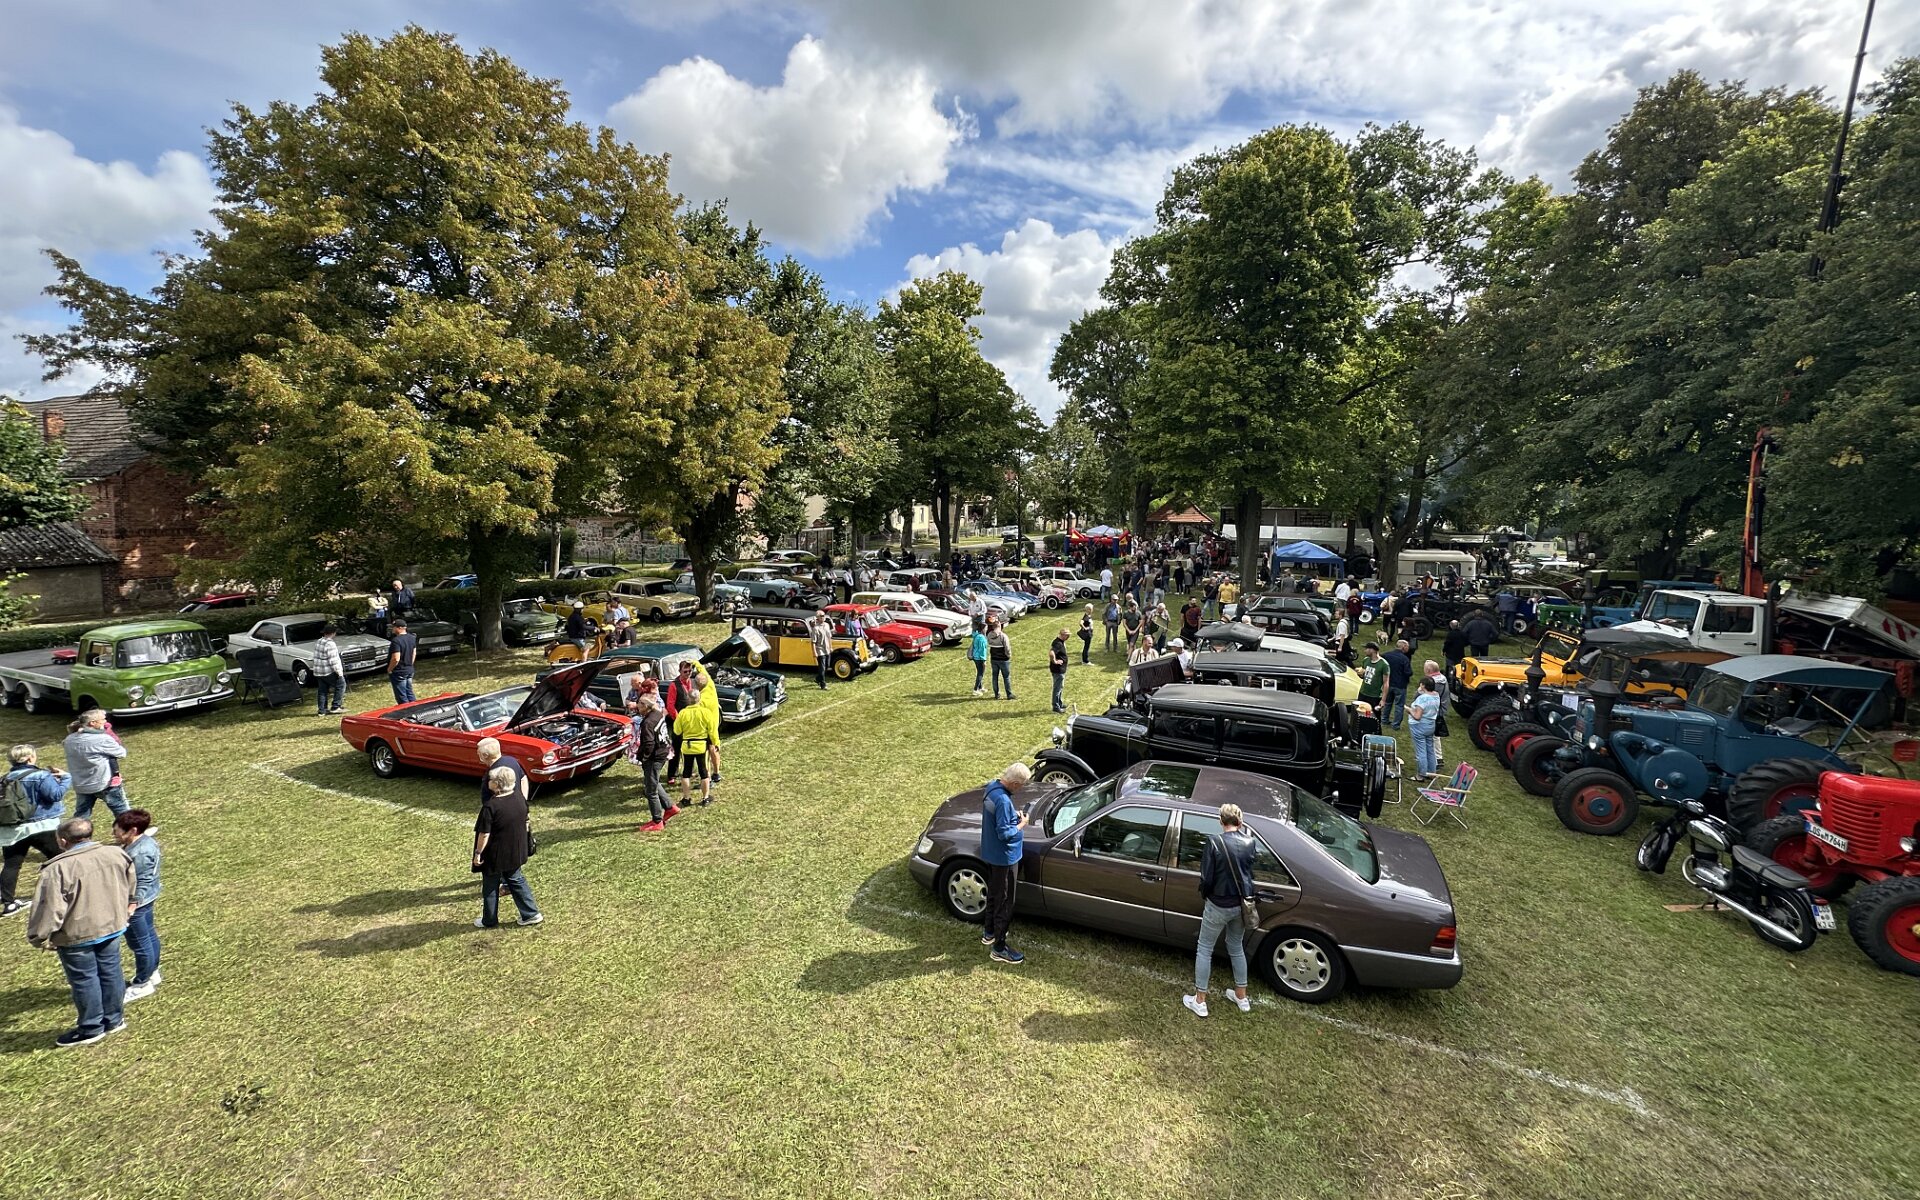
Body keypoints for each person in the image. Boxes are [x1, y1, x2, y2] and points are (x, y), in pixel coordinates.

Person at [27, 817, 136, 1046]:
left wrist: (40, 937)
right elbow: (130, 886)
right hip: (112, 925)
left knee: (85, 980)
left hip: (76, 935)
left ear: (62, 841)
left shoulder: (57, 869)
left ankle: (91, 1027)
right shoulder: (116, 853)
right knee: (111, 972)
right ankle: (114, 1019)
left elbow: (50, 908)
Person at [1183, 802, 1256, 1018]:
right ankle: (1241, 997)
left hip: (1218, 903)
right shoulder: (1250, 842)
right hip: (1241, 905)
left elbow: (1207, 877)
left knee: (1205, 948)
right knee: (1236, 947)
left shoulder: (1214, 842)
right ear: (1240, 821)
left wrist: (1206, 895)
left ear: (1221, 821)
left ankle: (1200, 1001)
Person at [1, 744, 69, 918]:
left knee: (11, 865)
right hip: (42, 826)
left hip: (13, 828)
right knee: (61, 858)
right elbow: (55, 795)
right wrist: (66, 778)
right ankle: (70, 890)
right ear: (31, 757)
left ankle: (8, 903)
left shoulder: (4, 779)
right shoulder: (41, 775)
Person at [473, 766, 541, 929]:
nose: (488, 782)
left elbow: (484, 834)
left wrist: (478, 853)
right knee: (516, 878)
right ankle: (531, 913)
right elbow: (526, 821)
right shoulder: (519, 798)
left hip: (495, 854)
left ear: (497, 784)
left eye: (490, 780)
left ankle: (489, 919)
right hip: (515, 849)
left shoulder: (490, 806)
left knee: (490, 885)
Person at [979, 763, 1031, 964]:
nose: (1021, 788)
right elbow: (1004, 833)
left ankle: (989, 932)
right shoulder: (1003, 800)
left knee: (994, 894)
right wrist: (1021, 824)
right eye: (1022, 785)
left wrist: (1011, 815)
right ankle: (999, 948)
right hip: (1005, 858)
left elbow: (998, 818)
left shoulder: (992, 787)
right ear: (1015, 783)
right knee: (1005, 902)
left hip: (991, 854)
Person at [113, 809, 162, 1000]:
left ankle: (142, 984)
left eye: (117, 831)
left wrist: (131, 907)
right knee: (149, 936)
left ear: (132, 831)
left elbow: (142, 881)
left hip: (137, 905)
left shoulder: (140, 852)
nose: (114, 834)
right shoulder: (143, 842)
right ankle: (152, 972)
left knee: (140, 944)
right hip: (147, 900)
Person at [63, 709, 128, 820]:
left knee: (81, 816)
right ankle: (132, 829)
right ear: (92, 723)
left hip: (82, 785)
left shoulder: (69, 739)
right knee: (122, 812)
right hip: (105, 784)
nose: (105, 722)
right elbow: (122, 753)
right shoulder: (102, 739)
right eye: (102, 719)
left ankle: (74, 831)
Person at [628, 694, 678, 833]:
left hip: (654, 758)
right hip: (663, 751)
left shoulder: (648, 722)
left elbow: (649, 743)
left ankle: (657, 821)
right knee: (653, 782)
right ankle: (670, 807)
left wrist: (644, 757)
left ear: (645, 706)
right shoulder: (658, 714)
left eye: (639, 705)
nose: (637, 708)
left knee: (650, 790)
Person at [672, 678, 719, 807]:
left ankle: (686, 798)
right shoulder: (705, 713)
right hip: (701, 746)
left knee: (686, 772)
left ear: (688, 699)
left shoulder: (683, 713)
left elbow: (677, 730)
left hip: (687, 746)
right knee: (704, 772)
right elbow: (712, 731)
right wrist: (715, 743)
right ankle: (705, 797)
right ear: (699, 699)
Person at [475, 738, 528, 806]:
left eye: (479, 753)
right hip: (519, 807)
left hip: (503, 810)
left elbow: (487, 801)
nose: (478, 755)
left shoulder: (492, 775)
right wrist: (523, 800)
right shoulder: (512, 760)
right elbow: (523, 778)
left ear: (485, 755)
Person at [1408, 676, 1442, 777]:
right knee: (1430, 750)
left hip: (1419, 727)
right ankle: (1431, 773)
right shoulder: (1436, 695)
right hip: (1430, 725)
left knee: (1421, 752)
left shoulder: (1422, 699)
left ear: (1423, 685)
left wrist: (1409, 710)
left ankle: (1421, 775)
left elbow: (1417, 716)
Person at [310, 624, 347, 715]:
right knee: (341, 685)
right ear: (333, 633)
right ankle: (336, 706)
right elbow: (333, 660)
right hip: (327, 671)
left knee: (322, 690)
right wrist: (339, 672)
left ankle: (322, 710)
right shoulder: (330, 644)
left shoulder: (319, 641)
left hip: (318, 671)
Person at [1423, 659, 1452, 772]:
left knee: (1432, 736)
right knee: (1435, 736)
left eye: (1425, 669)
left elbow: (1428, 696)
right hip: (1438, 711)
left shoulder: (1435, 682)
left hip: (1434, 712)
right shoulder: (1442, 678)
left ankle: (1436, 759)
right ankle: (1437, 758)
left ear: (1429, 670)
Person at [386, 616, 418, 704]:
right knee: (409, 693)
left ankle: (406, 711)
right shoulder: (412, 637)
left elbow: (396, 658)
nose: (392, 629)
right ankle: (416, 708)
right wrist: (410, 665)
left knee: (402, 696)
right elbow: (414, 653)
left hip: (399, 671)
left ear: (399, 628)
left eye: (393, 627)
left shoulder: (396, 641)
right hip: (409, 669)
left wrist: (390, 669)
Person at [1382, 640, 1414, 730]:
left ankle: (1384, 720)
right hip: (1400, 685)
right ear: (1403, 647)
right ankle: (1396, 725)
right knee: (1399, 705)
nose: (1408, 648)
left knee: (1387, 703)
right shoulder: (1404, 659)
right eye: (1407, 646)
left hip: (1388, 683)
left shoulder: (1386, 655)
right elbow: (1408, 672)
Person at [1356, 644, 1388, 715]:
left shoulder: (1384, 664)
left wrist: (1383, 700)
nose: (1364, 651)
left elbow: (1386, 683)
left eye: (1366, 649)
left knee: (1373, 716)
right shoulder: (1366, 660)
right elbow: (1364, 675)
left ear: (1372, 650)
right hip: (1363, 693)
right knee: (1361, 714)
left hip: (1375, 696)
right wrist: (1360, 675)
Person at [987, 618, 1014, 701]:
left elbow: (989, 643)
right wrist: (1008, 655)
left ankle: (996, 694)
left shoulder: (989, 635)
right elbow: (1007, 648)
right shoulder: (1003, 636)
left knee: (995, 677)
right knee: (1006, 677)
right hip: (1004, 660)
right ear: (999, 626)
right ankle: (1009, 694)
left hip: (994, 659)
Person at [809, 611, 834, 691]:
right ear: (818, 618)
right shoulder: (815, 628)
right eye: (822, 616)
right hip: (820, 650)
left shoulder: (827, 625)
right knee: (822, 668)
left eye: (824, 615)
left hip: (827, 649)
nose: (823, 617)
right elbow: (813, 642)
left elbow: (829, 637)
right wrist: (814, 652)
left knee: (827, 666)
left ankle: (818, 679)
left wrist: (831, 647)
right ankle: (823, 685)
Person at [1048, 627, 1070, 714]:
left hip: (1060, 670)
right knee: (1057, 688)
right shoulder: (1058, 644)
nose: (1068, 637)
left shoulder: (1060, 642)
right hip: (1058, 670)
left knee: (1060, 687)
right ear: (1062, 635)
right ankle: (1056, 706)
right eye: (1067, 635)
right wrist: (1055, 661)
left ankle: (1059, 703)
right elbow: (1051, 653)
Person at [968, 622, 989, 697]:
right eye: (986, 628)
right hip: (980, 658)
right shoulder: (981, 638)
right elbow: (982, 650)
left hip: (975, 657)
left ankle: (980, 687)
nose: (987, 629)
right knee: (980, 674)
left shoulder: (976, 635)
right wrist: (984, 660)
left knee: (979, 672)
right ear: (983, 629)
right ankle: (975, 689)